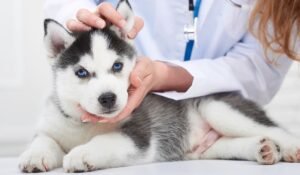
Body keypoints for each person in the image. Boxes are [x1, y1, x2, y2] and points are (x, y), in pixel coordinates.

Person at [44, 0, 300, 123]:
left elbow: (259, 68)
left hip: (215, 126)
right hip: (117, 124)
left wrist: (168, 76)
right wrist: (78, 18)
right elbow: (63, 5)